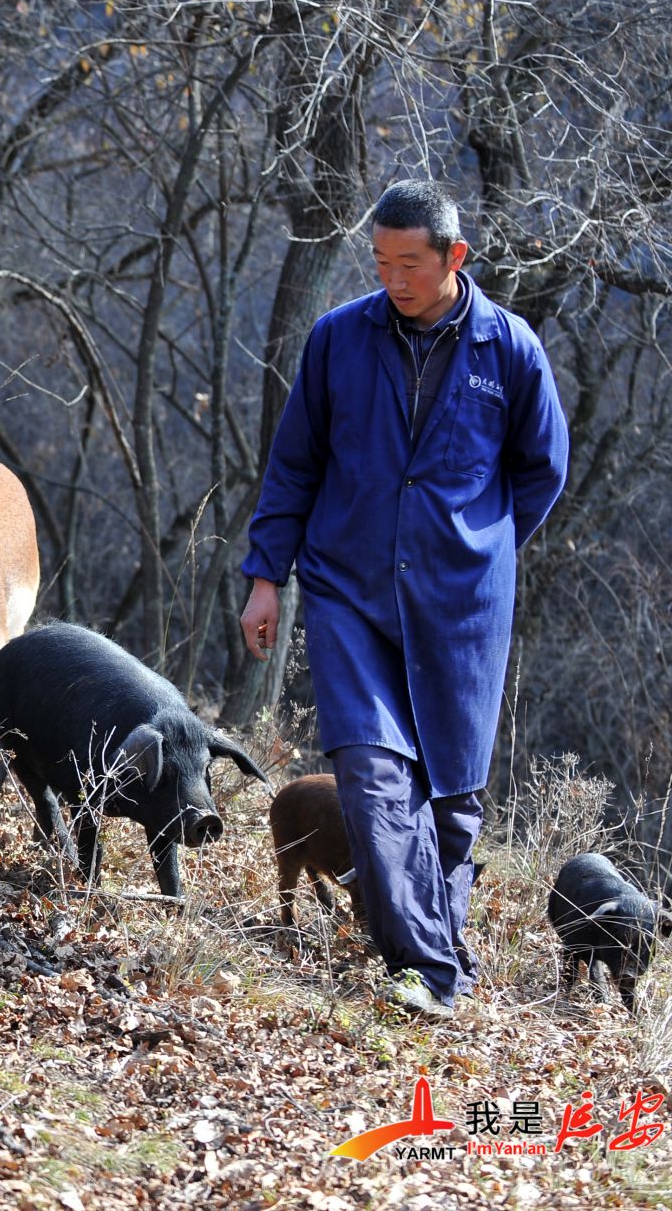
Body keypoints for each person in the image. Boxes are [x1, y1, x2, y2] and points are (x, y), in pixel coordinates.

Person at [239, 180, 570, 1019]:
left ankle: (435, 961)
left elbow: (542, 472)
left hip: (462, 606)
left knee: (452, 799)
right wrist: (265, 575)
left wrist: (478, 550)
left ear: (454, 257)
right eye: (381, 262)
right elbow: (294, 466)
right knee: (372, 776)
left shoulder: (511, 351)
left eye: (410, 264)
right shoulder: (336, 341)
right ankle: (425, 967)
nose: (394, 278)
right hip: (349, 590)